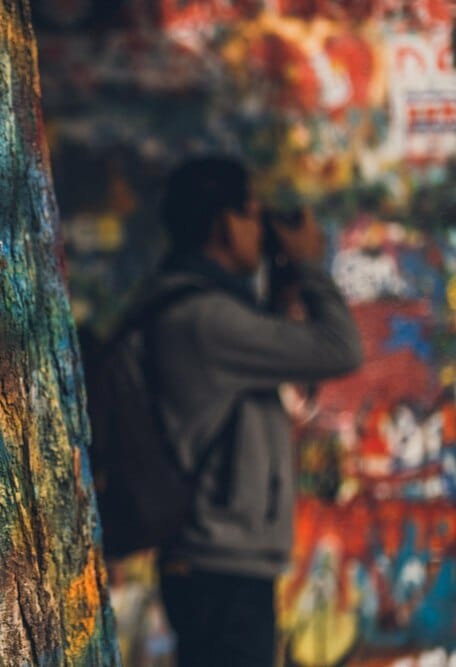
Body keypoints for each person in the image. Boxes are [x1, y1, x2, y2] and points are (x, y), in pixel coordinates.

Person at [139, 156, 362, 666]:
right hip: (221, 570)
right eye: (253, 216)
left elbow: (281, 378)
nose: (263, 231)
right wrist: (308, 266)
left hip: (219, 566)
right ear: (224, 223)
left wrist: (281, 293)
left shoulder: (202, 308)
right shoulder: (207, 318)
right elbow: (341, 348)